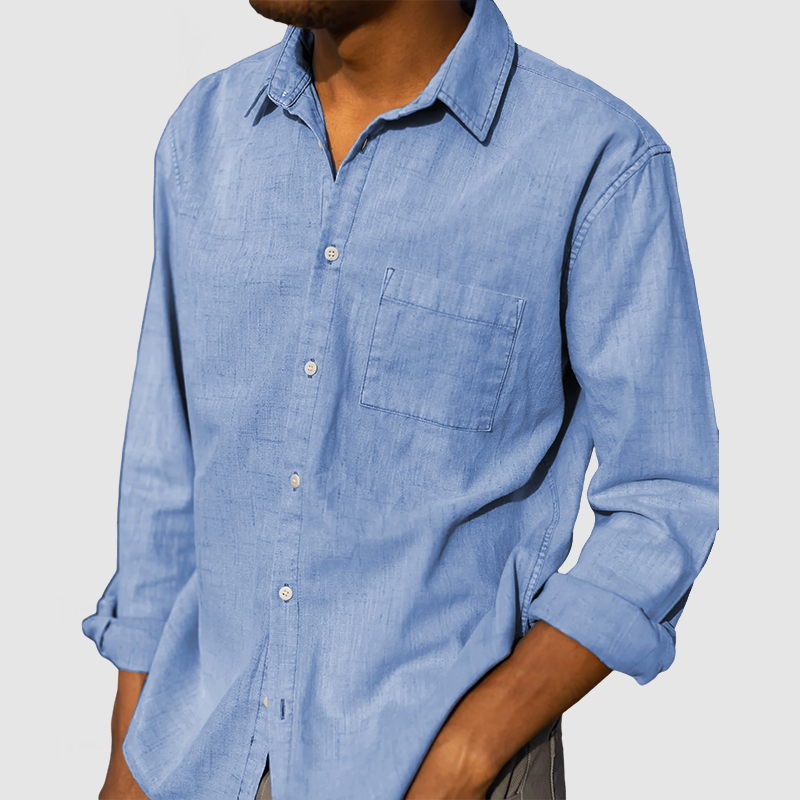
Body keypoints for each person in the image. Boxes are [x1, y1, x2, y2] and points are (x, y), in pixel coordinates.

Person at [81, 0, 719, 798]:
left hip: (439, 772)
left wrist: (472, 751)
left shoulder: (597, 163)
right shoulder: (206, 136)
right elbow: (165, 473)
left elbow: (664, 498)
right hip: (194, 763)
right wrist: (128, 759)